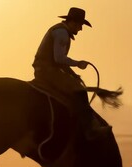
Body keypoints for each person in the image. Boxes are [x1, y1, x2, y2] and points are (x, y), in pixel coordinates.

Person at [31, 7, 110, 140]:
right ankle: (89, 129)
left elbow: (58, 61)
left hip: (45, 69)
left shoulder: (60, 31)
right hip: (46, 71)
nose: (80, 29)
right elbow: (59, 59)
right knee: (79, 92)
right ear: (73, 22)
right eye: (80, 25)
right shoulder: (62, 34)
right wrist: (78, 63)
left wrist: (73, 74)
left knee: (75, 86)